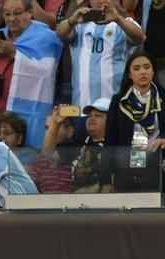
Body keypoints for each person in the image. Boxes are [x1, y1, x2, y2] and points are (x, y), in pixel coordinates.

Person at [58, 0, 144, 113]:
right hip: (81, 106)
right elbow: (60, 33)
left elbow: (140, 37)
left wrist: (118, 18)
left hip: (114, 108)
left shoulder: (123, 23)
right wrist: (71, 21)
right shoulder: (78, 23)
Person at [102, 50, 165, 193]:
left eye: (147, 67)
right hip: (127, 168)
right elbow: (110, 143)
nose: (142, 72)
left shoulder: (164, 98)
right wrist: (106, 180)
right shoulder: (118, 102)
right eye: (136, 68)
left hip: (158, 165)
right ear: (129, 75)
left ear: (153, 71)